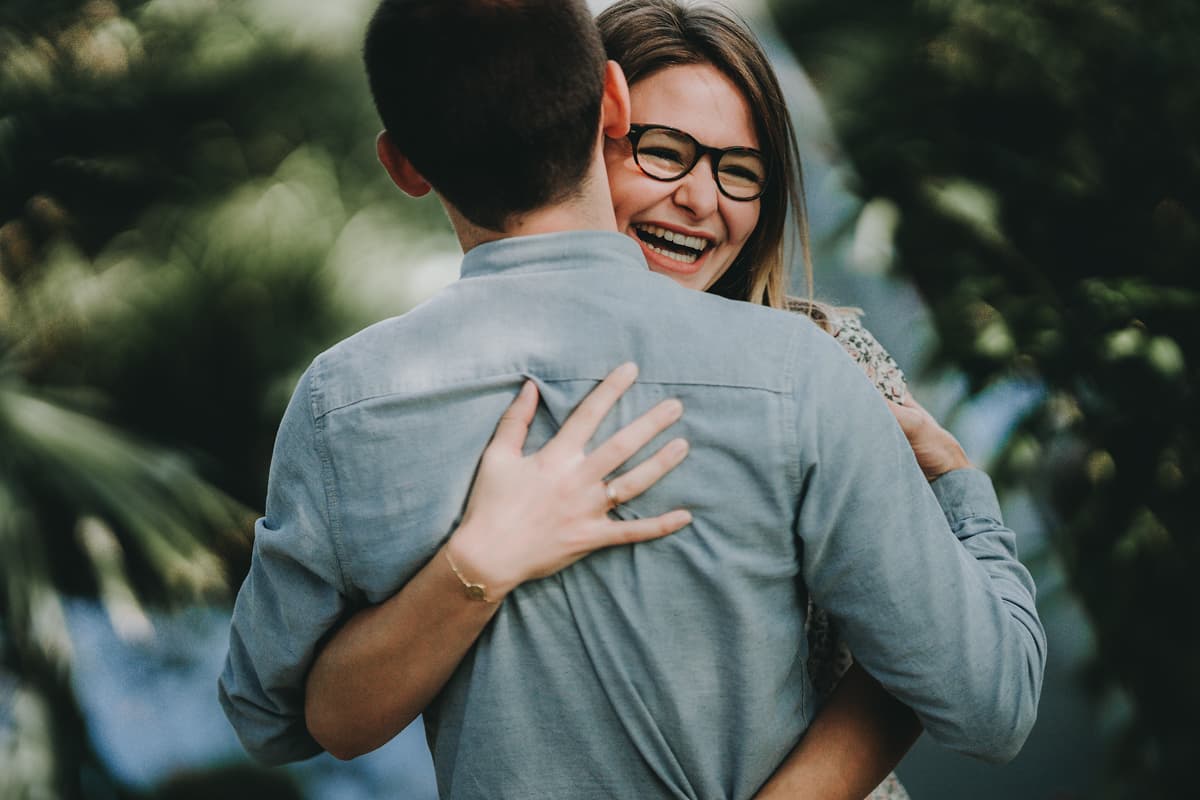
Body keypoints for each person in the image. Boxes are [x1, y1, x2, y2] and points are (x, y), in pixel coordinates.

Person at [219, 2, 1046, 799]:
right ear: (610, 107)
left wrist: (956, 488)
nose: (698, 196)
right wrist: (475, 567)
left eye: (740, 169)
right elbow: (304, 714)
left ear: (402, 164)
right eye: (662, 152)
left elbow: (936, 668)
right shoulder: (797, 380)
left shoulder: (351, 399)